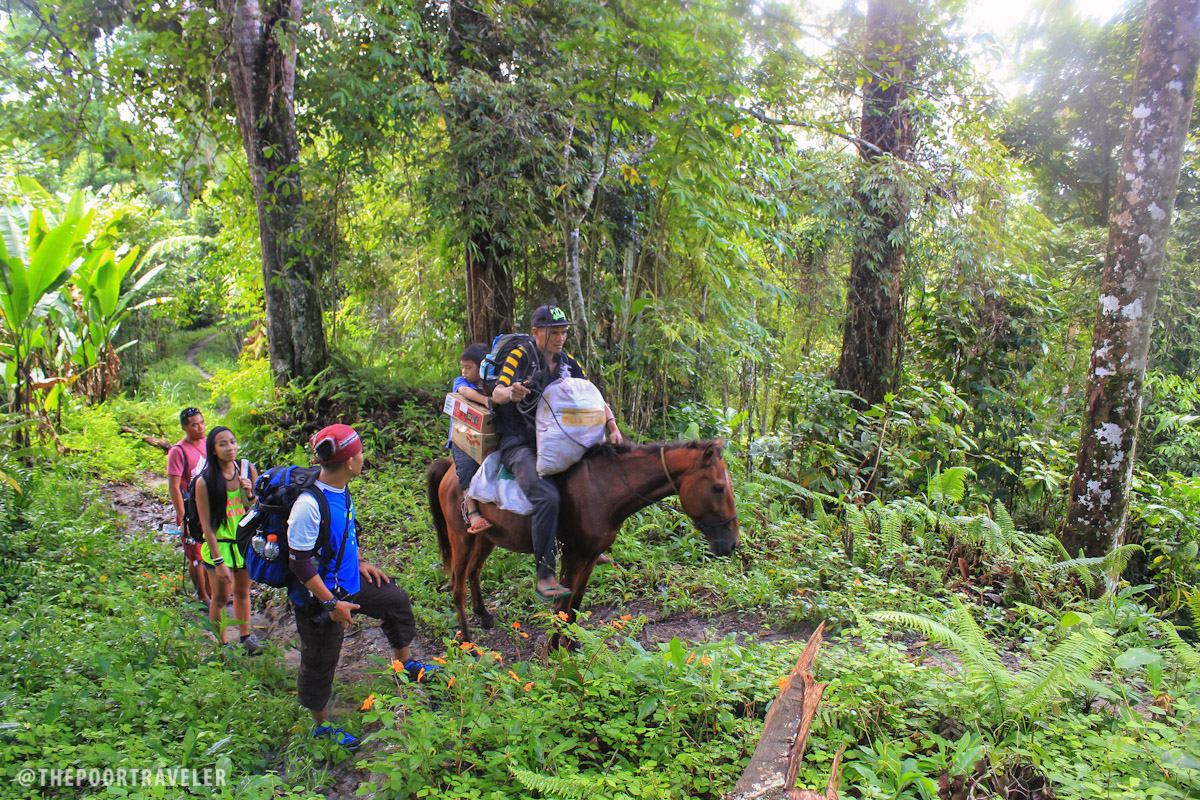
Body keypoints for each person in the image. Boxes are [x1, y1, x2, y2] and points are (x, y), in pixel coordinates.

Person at [288, 423, 435, 749]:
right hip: (320, 597)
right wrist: (331, 604)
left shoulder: (340, 487)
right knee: (321, 657)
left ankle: (404, 666)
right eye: (360, 453)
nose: (363, 457)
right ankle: (320, 726)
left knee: (395, 601)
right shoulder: (308, 505)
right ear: (349, 461)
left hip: (348, 582)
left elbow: (339, 536)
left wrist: (359, 562)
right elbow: (299, 563)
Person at [490, 304, 623, 601]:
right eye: (554, 333)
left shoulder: (568, 362)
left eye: (563, 333)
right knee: (546, 496)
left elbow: (593, 397)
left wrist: (612, 426)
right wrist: (510, 392)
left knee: (595, 481)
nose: (560, 338)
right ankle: (545, 575)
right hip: (520, 442)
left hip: (558, 441)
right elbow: (496, 393)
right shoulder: (520, 356)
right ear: (537, 332)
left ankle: (587, 545)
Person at [194, 425, 261, 655]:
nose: (230, 447)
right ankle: (221, 645)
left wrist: (249, 494)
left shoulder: (246, 470)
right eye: (222, 444)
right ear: (213, 450)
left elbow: (255, 510)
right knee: (221, 598)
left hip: (243, 544)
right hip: (219, 547)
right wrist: (219, 562)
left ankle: (246, 637)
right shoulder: (205, 481)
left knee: (242, 592)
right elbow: (207, 526)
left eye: (232, 442)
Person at [167, 406, 210, 608]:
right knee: (195, 556)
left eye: (202, 423)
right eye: (194, 425)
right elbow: (174, 488)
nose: (200, 428)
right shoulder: (178, 452)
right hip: (190, 509)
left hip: (209, 506)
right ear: (185, 427)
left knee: (211, 551)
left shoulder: (208, 444)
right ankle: (203, 597)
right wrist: (183, 518)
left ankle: (214, 593)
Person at [450, 343, 493, 534]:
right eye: (463, 367)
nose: (464, 371)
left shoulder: (491, 383)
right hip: (463, 439)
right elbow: (465, 392)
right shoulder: (461, 382)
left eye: (469, 367)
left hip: (486, 437)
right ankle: (473, 512)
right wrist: (487, 401)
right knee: (466, 468)